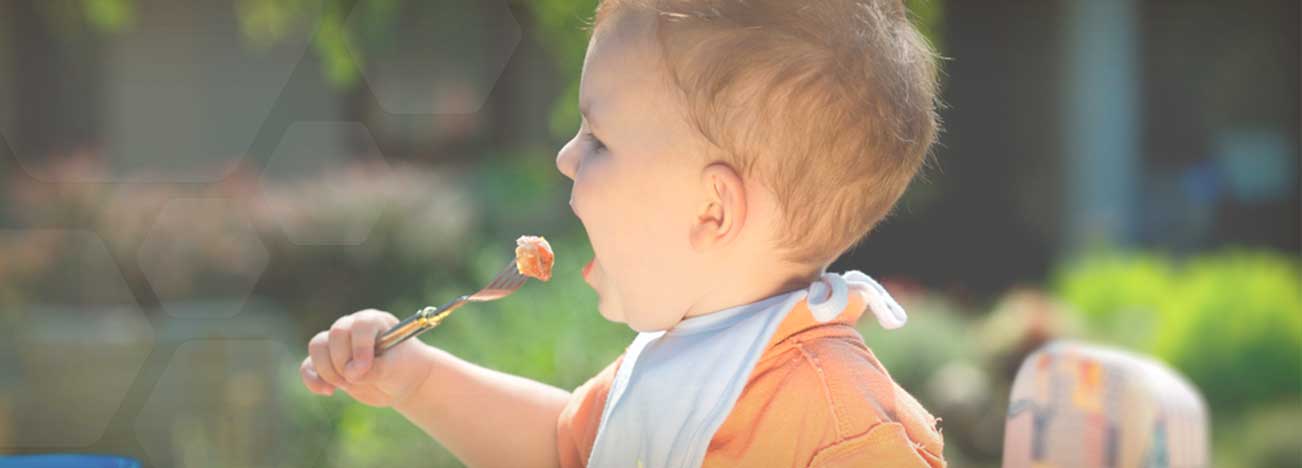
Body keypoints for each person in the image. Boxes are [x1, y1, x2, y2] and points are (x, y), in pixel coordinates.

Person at [300, 0, 945, 466]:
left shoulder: (839, 422)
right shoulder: (676, 361)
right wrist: (415, 379)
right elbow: (565, 448)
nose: (564, 157)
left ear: (711, 212)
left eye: (598, 140)